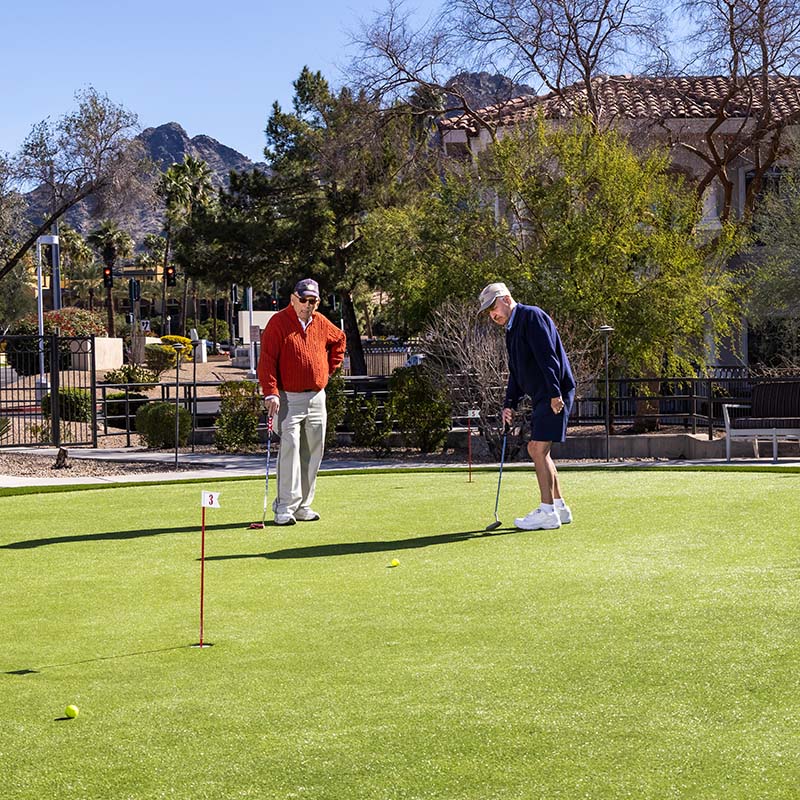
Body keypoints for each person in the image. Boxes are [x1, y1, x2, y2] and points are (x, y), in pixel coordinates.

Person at [478, 282, 576, 530]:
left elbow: (548, 357)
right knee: (542, 452)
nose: (493, 315)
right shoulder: (512, 329)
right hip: (544, 393)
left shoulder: (531, 316)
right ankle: (559, 507)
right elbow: (516, 372)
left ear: (507, 299)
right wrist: (508, 404)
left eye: (494, 307)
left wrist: (555, 394)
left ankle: (546, 512)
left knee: (536, 449)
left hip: (555, 392)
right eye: (489, 312)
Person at [257, 278, 346, 526]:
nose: (308, 305)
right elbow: (267, 361)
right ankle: (284, 506)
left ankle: (303, 505)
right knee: (290, 450)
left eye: (313, 301)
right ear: (293, 299)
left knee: (313, 452)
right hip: (289, 398)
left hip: (317, 397)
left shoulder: (320, 322)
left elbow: (340, 339)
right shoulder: (278, 323)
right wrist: (271, 392)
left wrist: (328, 369)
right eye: (304, 300)